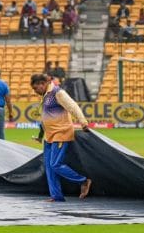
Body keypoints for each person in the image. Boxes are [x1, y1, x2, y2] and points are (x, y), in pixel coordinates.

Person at [30, 74, 91, 202]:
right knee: (49, 167)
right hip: (49, 136)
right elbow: (44, 118)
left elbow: (73, 106)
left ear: (42, 84)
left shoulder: (57, 92)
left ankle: (83, 181)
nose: (35, 91)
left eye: (36, 88)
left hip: (61, 133)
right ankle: (56, 196)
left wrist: (83, 122)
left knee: (55, 164)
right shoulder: (45, 95)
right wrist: (41, 136)